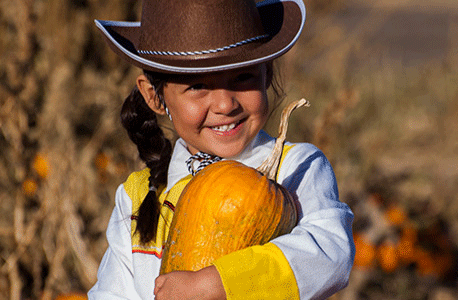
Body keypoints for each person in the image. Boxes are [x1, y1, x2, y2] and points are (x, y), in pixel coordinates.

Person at [88, 0, 354, 299]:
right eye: (198, 86)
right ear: (154, 97)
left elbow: (330, 254)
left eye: (242, 78)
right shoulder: (136, 198)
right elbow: (112, 293)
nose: (226, 105)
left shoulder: (296, 168)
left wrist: (216, 284)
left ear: (266, 75)